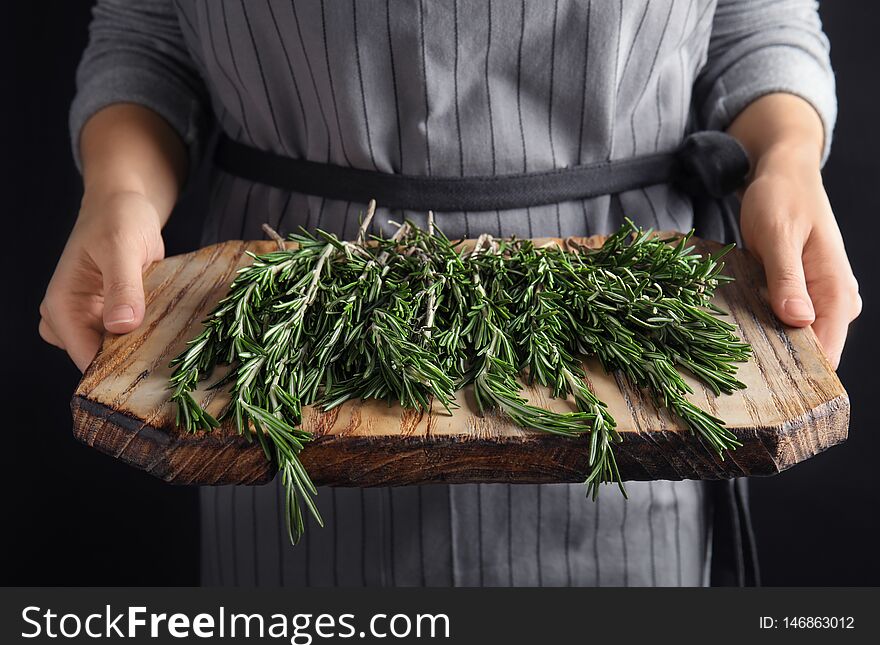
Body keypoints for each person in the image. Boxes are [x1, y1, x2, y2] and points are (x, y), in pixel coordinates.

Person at [39, 0, 860, 587]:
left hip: (624, 320)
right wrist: (120, 192)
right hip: (300, 318)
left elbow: (757, 22)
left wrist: (786, 155)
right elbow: (148, 34)